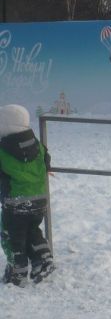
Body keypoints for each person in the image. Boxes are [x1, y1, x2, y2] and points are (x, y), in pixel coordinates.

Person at [0, 104, 55, 286]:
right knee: (32, 230)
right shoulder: (37, 145)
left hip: (16, 203)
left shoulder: (3, 149)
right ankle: (44, 257)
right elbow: (46, 159)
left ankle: (18, 269)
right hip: (39, 199)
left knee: (12, 236)